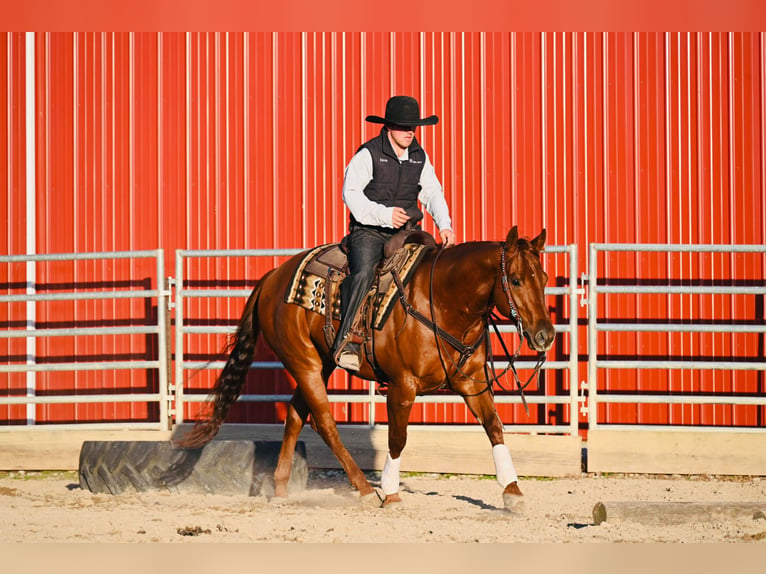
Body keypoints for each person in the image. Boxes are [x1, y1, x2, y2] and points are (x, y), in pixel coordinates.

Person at [333, 95, 456, 371]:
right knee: (364, 273)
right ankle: (348, 340)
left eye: (413, 126)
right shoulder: (369, 154)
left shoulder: (418, 157)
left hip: (407, 230)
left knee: (434, 269)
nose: (410, 132)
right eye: (403, 126)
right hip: (370, 231)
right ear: (389, 127)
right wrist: (383, 214)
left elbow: (433, 192)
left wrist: (444, 224)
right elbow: (350, 193)